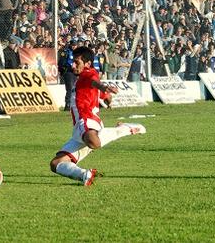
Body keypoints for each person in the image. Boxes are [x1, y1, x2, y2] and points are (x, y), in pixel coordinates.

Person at [49, 46, 146, 186]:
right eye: (73, 62)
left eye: (77, 62)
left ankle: (124, 129)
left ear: (87, 64)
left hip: (87, 121)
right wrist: (106, 96)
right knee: (56, 163)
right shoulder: (81, 79)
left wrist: (104, 87)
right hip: (78, 130)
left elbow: (94, 81)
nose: (73, 65)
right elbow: (96, 89)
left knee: (94, 142)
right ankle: (85, 175)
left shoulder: (88, 74)